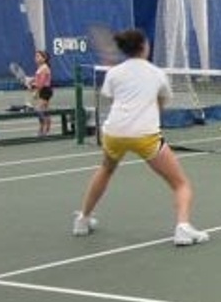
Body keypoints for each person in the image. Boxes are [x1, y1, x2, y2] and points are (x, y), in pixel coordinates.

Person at [73, 29, 209, 246]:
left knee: (106, 170)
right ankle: (183, 228)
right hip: (145, 136)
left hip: (113, 134)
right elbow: (162, 103)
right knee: (181, 184)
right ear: (144, 47)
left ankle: (83, 220)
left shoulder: (113, 74)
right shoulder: (157, 73)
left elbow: (112, 98)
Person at [29, 50, 54, 136]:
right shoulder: (41, 67)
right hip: (44, 90)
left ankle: (43, 129)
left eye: (38, 56)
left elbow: (42, 82)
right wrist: (31, 80)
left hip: (45, 90)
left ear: (44, 58)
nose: (36, 58)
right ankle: (46, 130)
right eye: (36, 56)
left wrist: (36, 91)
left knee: (38, 109)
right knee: (45, 111)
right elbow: (37, 78)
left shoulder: (44, 67)